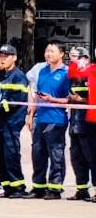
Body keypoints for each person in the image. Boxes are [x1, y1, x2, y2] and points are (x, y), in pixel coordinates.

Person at [29, 41, 70, 200]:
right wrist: (31, 115)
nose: (48, 54)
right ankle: (38, 187)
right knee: (38, 153)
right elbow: (35, 95)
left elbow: (69, 99)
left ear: (61, 54)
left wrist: (52, 99)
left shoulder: (66, 73)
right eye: (47, 51)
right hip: (40, 119)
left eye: (52, 51)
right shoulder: (43, 71)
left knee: (56, 154)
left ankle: (55, 188)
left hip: (56, 119)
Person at [0, 44, 30, 198]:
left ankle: (18, 187)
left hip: (11, 122)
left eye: (6, 56)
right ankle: (6, 186)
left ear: (14, 58)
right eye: (1, 56)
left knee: (10, 154)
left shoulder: (19, 77)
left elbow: (16, 101)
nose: (2, 59)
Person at [68, 47, 96, 201]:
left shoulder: (92, 74)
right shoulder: (73, 76)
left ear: (85, 58)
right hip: (74, 123)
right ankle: (81, 189)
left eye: (76, 57)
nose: (73, 60)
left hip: (88, 124)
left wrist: (81, 100)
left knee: (91, 157)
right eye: (71, 56)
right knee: (77, 158)